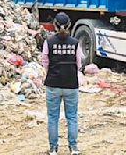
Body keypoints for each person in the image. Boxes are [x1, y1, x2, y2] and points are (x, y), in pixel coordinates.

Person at [41, 12, 83, 155]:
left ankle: (53, 149)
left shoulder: (49, 42)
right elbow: (79, 64)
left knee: (53, 117)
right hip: (71, 84)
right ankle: (73, 148)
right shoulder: (75, 43)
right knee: (72, 117)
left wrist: (51, 72)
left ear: (55, 25)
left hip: (53, 84)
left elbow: (45, 62)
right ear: (70, 25)